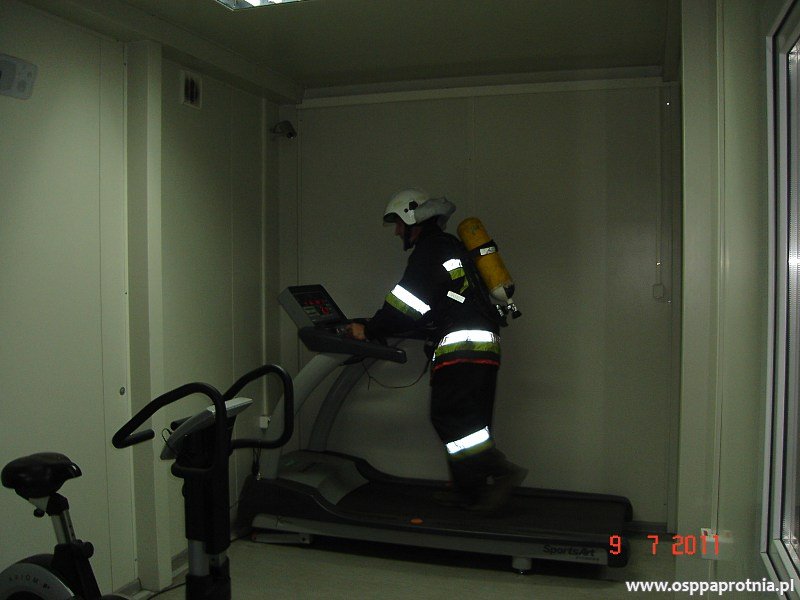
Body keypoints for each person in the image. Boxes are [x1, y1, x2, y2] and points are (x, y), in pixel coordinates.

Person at [346, 188, 527, 512]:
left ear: (412, 220)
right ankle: (468, 490)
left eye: (398, 224)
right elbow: (441, 303)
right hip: (483, 345)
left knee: (449, 417)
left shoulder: (429, 251)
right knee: (472, 422)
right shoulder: (452, 247)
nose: (397, 232)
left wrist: (369, 330)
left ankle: (501, 471)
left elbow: (404, 305)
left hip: (462, 347)